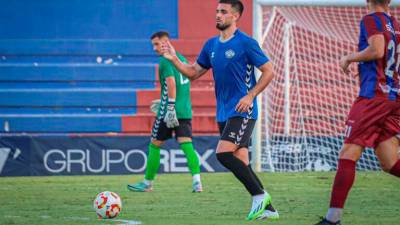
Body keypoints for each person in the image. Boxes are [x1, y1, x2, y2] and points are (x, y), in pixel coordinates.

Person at [160, 0, 278, 221]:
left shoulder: (246, 43)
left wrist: (250, 95)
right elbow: (193, 73)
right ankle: (269, 210)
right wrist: (174, 59)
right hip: (223, 112)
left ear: (235, 16)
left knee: (223, 154)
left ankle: (260, 196)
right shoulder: (211, 45)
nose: (218, 15)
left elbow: (269, 71)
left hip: (243, 111)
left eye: (223, 12)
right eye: (217, 11)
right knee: (241, 161)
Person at [315, 0, 400, 224]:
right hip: (393, 96)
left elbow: (377, 49)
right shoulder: (395, 23)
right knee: (390, 163)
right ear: (389, 1)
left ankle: (332, 219)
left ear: (367, 0)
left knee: (348, 153)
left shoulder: (371, 19)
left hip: (374, 98)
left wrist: (349, 58)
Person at [127, 31, 202, 193]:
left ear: (166, 42)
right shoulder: (180, 58)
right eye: (153, 45)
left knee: (155, 144)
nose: (154, 48)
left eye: (157, 44)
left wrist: (169, 107)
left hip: (169, 110)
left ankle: (147, 183)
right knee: (186, 143)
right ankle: (197, 181)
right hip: (185, 110)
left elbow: (171, 84)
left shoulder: (165, 61)